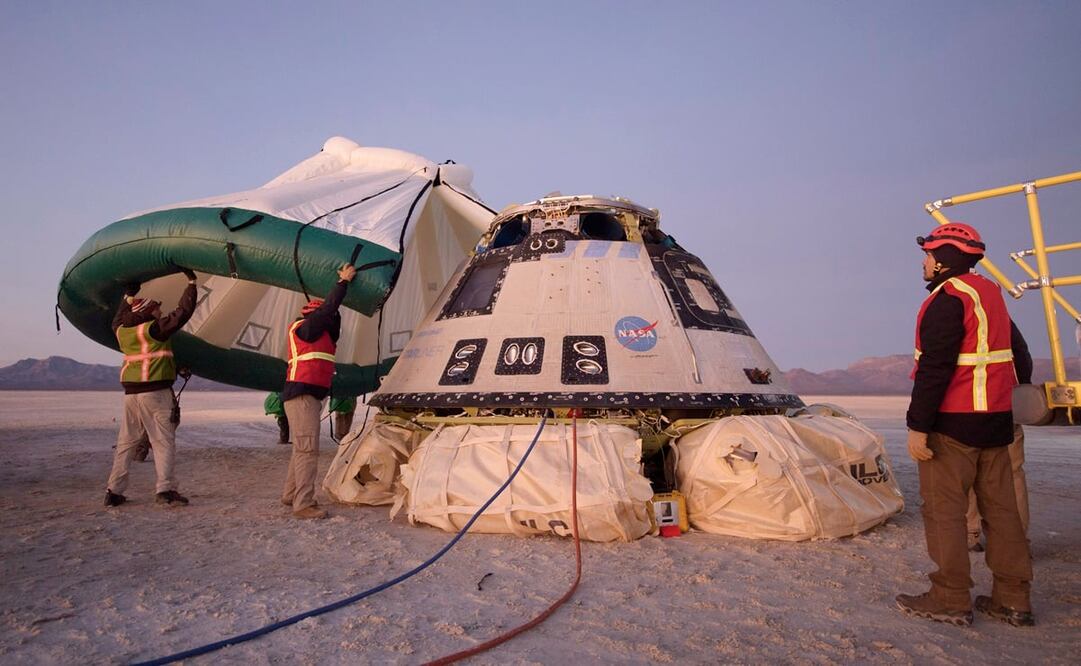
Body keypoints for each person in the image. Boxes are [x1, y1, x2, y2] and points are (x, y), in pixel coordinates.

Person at [896, 222, 1035, 627]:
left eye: (928, 255)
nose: (923, 263)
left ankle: (950, 596)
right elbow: (1019, 355)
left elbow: (934, 369)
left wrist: (917, 425)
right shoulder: (989, 295)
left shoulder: (946, 301)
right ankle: (1014, 598)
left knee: (944, 513)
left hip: (952, 426)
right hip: (996, 423)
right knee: (1002, 513)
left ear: (943, 261)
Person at [105, 268, 198, 508]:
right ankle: (165, 490)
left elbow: (118, 319)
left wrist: (128, 296)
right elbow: (183, 313)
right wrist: (191, 283)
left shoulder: (122, 333)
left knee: (126, 442)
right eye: (156, 308)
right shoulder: (154, 330)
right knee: (163, 442)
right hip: (155, 395)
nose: (160, 311)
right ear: (147, 313)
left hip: (131, 396)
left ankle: (114, 491)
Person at [279, 263, 356, 519]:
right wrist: (342, 283)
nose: (331, 321)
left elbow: (333, 321)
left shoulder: (322, 334)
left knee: (301, 447)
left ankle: (291, 495)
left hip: (309, 396)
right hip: (301, 396)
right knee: (307, 449)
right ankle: (304, 504)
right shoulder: (304, 328)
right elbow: (327, 313)